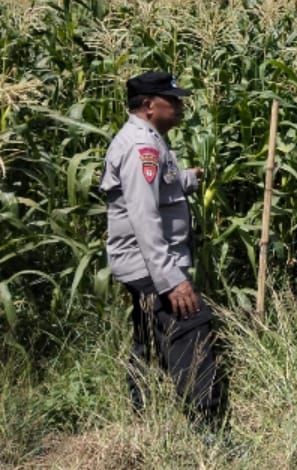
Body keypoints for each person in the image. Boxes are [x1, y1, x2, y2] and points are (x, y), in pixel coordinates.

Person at [100, 71, 221, 423]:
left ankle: (142, 414)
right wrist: (171, 280)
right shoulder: (142, 147)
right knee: (190, 329)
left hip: (141, 263)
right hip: (151, 265)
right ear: (149, 105)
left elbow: (154, 186)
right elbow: (144, 216)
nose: (180, 106)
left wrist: (187, 179)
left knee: (149, 338)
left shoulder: (146, 140)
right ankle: (206, 424)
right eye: (173, 100)